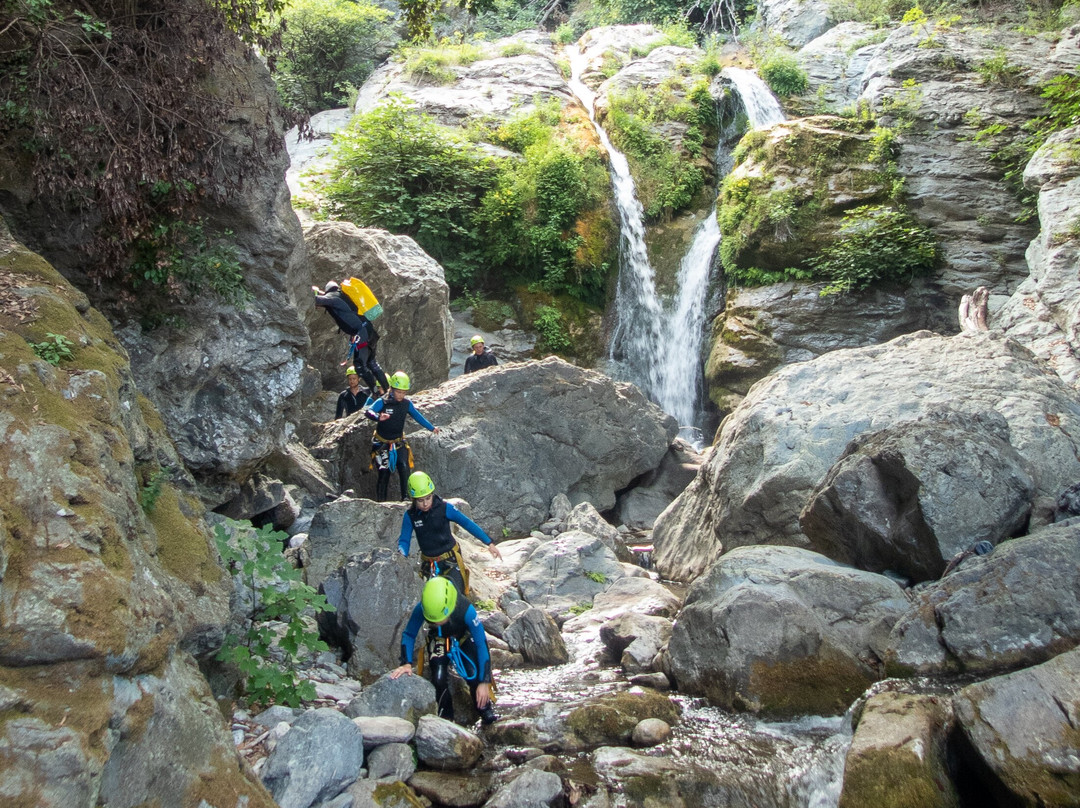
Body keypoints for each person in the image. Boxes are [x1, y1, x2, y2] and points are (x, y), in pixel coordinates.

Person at [390, 576, 499, 725]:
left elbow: (481, 644)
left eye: (438, 620)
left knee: (473, 673)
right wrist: (406, 663)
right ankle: (446, 717)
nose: (435, 623)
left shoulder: (466, 610)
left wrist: (485, 682)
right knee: (438, 677)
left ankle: (484, 709)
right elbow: (409, 634)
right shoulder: (423, 607)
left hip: (462, 637)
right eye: (432, 621)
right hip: (438, 638)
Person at [398, 470, 501, 597]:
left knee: (456, 597)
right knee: (434, 601)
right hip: (430, 565)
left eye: (428, 498)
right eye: (420, 500)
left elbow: (467, 524)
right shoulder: (411, 516)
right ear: (413, 500)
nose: (425, 503)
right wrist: (401, 554)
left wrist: (489, 542)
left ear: (432, 494)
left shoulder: (445, 508)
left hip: (450, 561)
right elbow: (404, 540)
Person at [365, 372, 438, 502]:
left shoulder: (406, 404)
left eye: (404, 392)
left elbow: (417, 416)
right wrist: (378, 417)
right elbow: (369, 411)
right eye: (398, 392)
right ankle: (381, 502)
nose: (401, 395)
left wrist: (431, 428)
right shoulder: (383, 402)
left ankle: (406, 498)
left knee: (404, 466)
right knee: (384, 471)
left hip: (398, 442)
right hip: (382, 444)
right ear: (392, 389)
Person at [312, 280, 388, 397]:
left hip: (361, 334)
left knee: (360, 366)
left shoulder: (332, 297)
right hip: (369, 330)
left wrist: (312, 292)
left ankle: (376, 394)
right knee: (372, 363)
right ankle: (387, 391)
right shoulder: (343, 296)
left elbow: (318, 300)